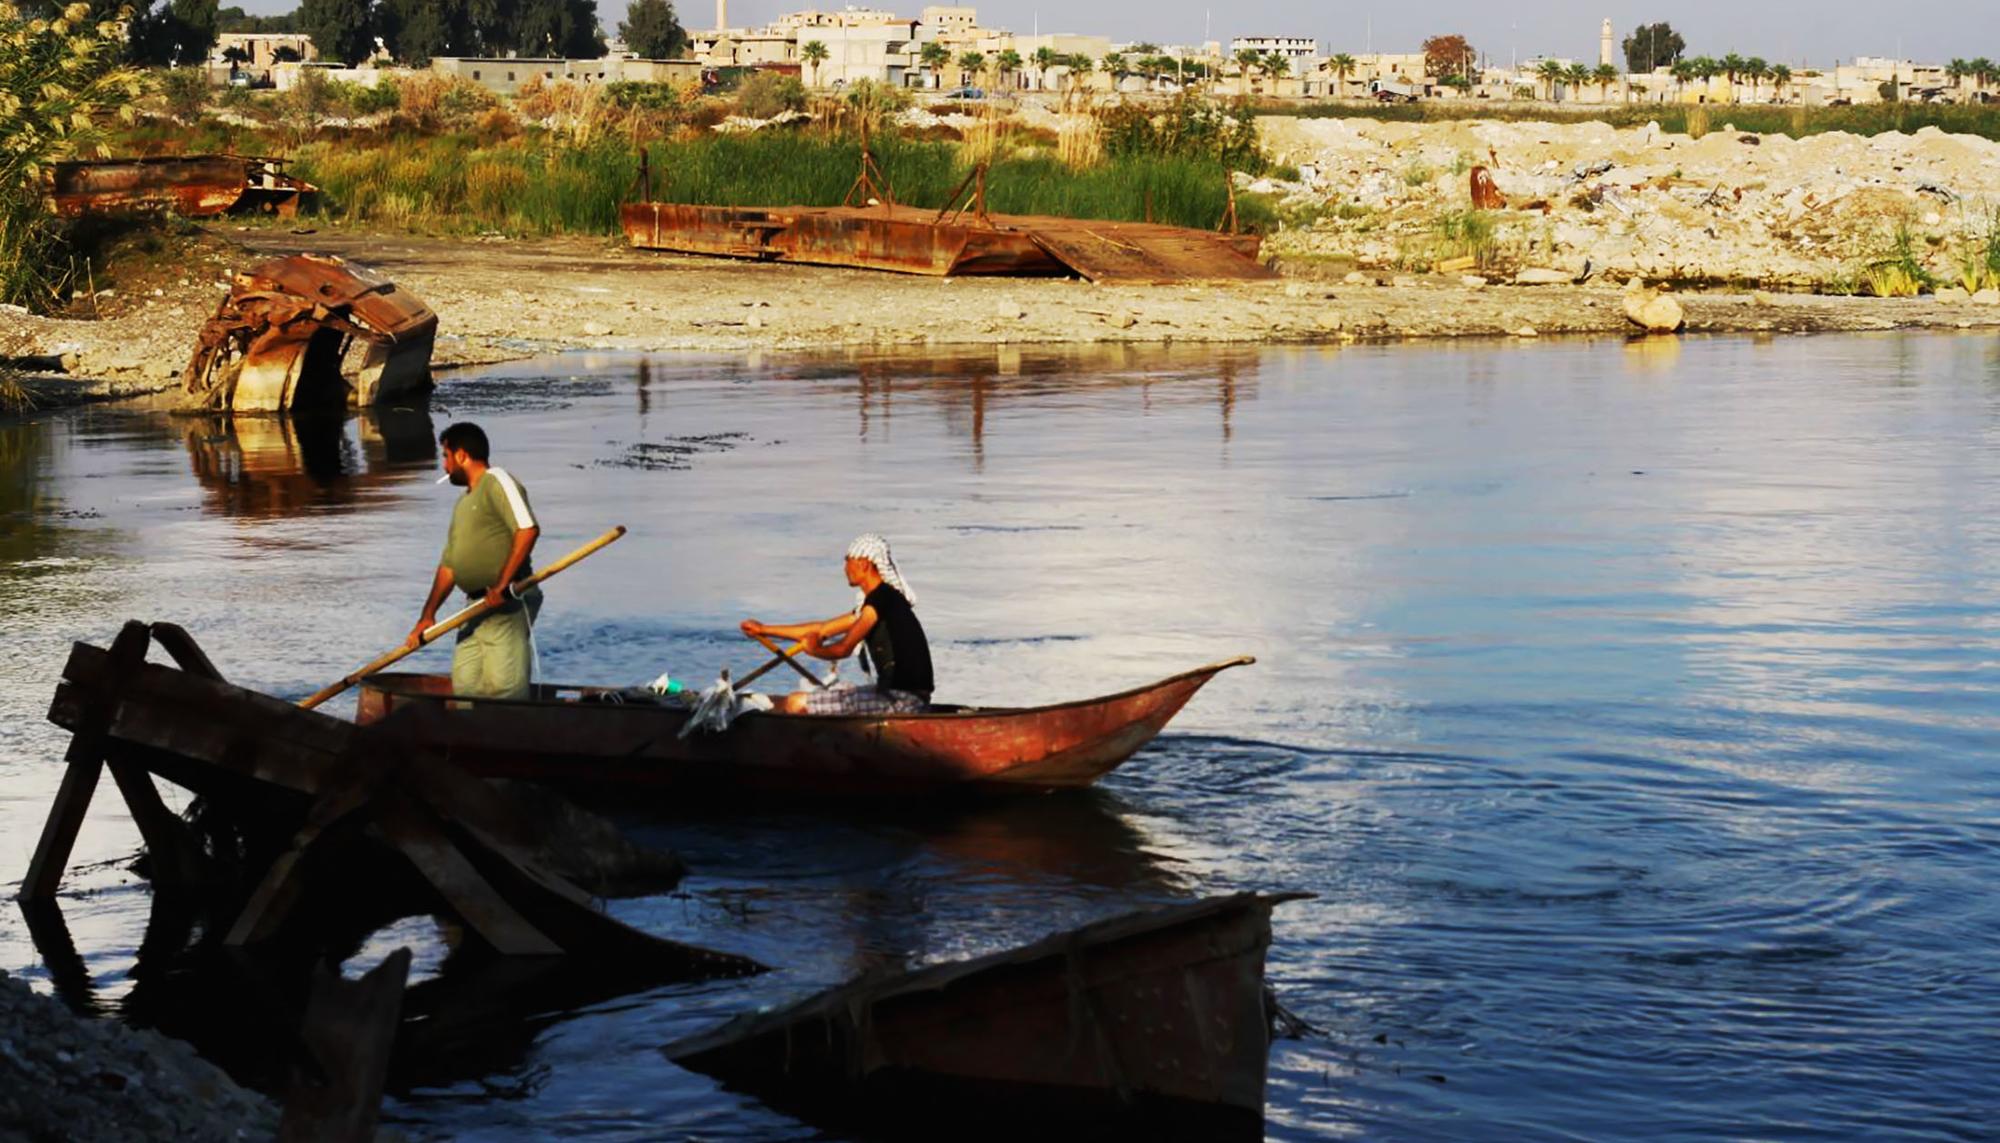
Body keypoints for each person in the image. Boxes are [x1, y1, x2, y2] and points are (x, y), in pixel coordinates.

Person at [407, 422, 543, 700]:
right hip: (474, 608)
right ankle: (469, 738)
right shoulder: (462, 504)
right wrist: (427, 616)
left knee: (505, 689)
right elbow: (450, 566)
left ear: (461, 456)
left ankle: (508, 734)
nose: (444, 466)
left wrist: (502, 585)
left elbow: (528, 529)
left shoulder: (497, 480)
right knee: (466, 686)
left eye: (445, 456)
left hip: (508, 600)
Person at [742, 534, 933, 715]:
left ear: (863, 564)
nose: (845, 568)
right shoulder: (878, 601)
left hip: (904, 701)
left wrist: (815, 650)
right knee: (803, 698)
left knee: (796, 703)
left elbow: (843, 648)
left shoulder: (880, 600)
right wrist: (764, 629)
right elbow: (822, 629)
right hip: (899, 696)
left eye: (847, 561)